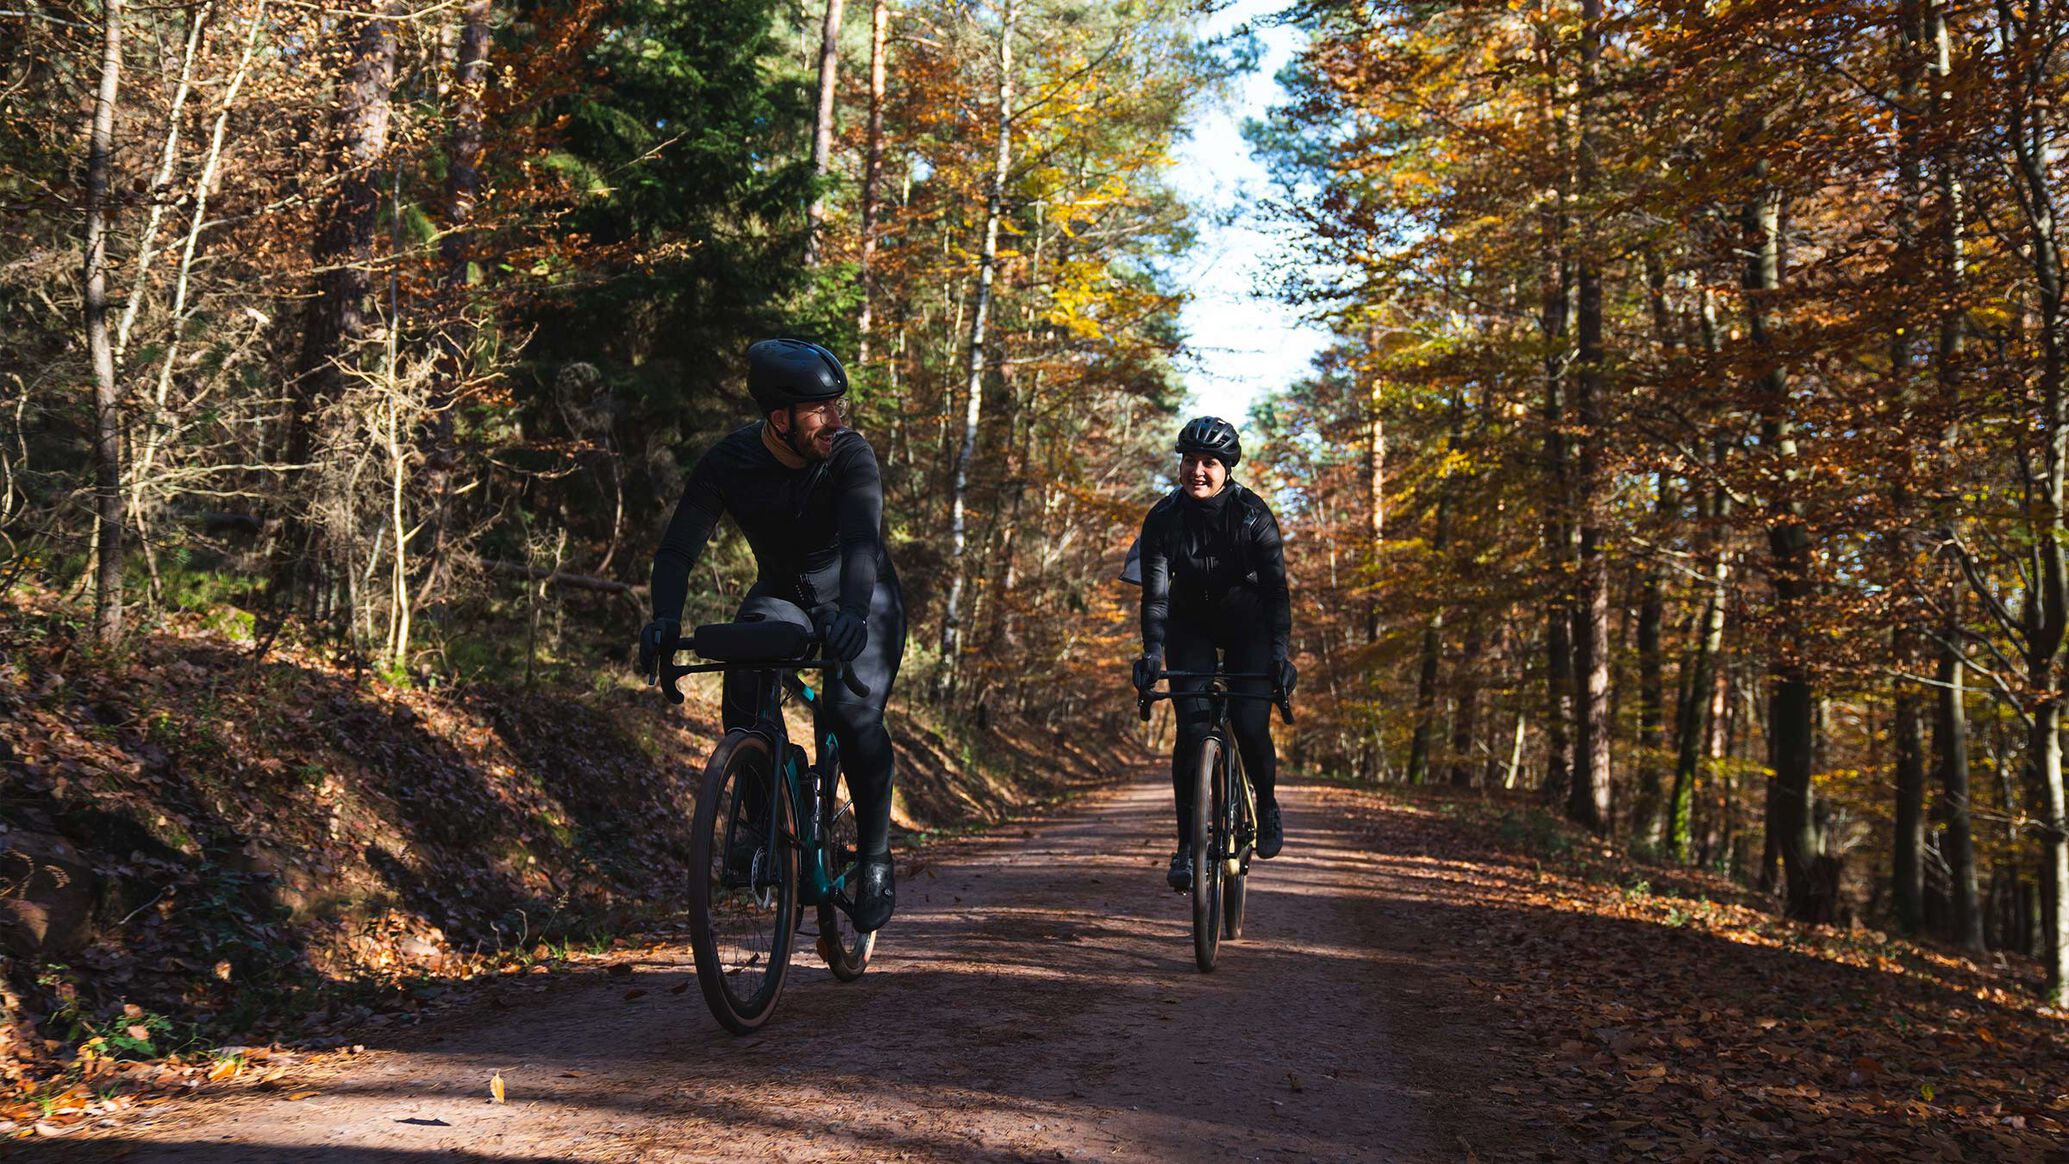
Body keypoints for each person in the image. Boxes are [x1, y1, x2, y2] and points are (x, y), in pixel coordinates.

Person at [637, 339, 906, 932]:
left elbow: (863, 541)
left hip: (865, 594)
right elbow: (679, 548)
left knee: (850, 712)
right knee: (745, 671)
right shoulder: (728, 462)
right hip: (784, 594)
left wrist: (855, 615)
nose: (837, 420)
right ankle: (760, 815)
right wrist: (664, 618)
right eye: (821, 410)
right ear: (778, 418)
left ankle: (878, 857)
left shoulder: (850, 455)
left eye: (839, 405)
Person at [1129, 416, 1295, 893]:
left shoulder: (1252, 515)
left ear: (1227, 468)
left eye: (1209, 463)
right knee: (1193, 730)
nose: (1197, 471)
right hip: (1190, 625)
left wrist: (1279, 653)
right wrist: (1152, 651)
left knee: (1248, 723)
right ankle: (1185, 846)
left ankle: (1265, 803)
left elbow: (1277, 592)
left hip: (1249, 625)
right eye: (1189, 461)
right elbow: (1156, 596)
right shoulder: (1163, 518)